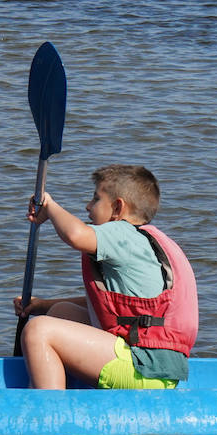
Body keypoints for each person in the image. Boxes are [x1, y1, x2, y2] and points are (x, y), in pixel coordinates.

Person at [15, 164, 198, 390]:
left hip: (143, 369)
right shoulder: (145, 241)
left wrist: (50, 207)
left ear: (118, 208)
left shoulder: (122, 232)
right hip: (157, 367)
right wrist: (41, 305)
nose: (88, 206)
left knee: (38, 330)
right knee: (61, 313)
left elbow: (76, 235)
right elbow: (108, 307)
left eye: (96, 199)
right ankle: (66, 388)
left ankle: (49, 411)